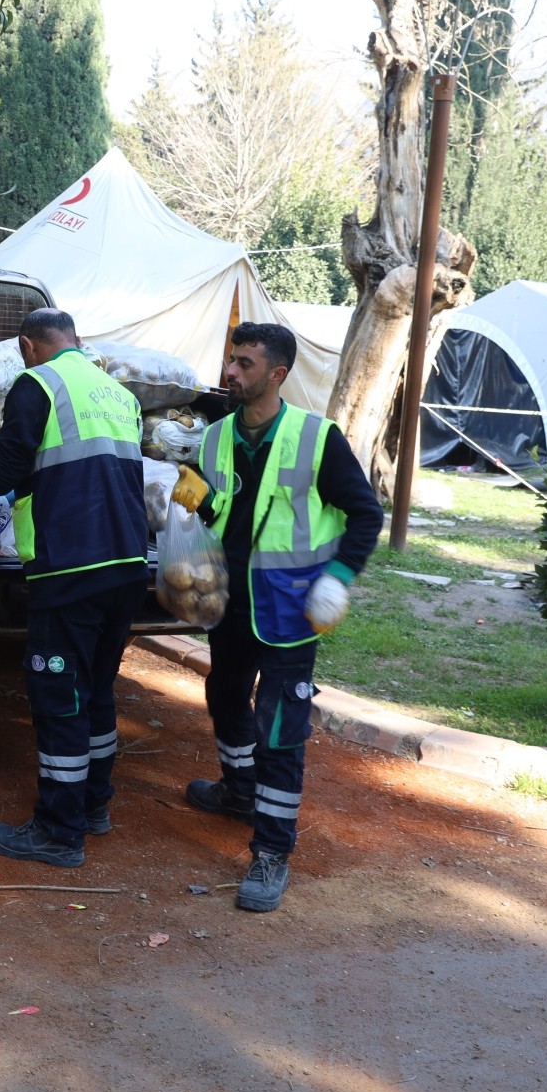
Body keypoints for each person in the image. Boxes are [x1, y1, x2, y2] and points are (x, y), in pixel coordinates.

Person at [173, 322, 382, 912]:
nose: (231, 372)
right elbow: (228, 508)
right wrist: (199, 498)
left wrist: (337, 580)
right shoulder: (215, 438)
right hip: (230, 601)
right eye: (230, 360)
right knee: (224, 694)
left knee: (280, 726)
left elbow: (366, 516)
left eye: (244, 363)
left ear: (277, 374)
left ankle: (271, 851)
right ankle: (239, 791)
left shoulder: (318, 439)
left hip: (291, 608)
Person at [0, 308, 146, 869]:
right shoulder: (117, 393)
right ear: (76, 340)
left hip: (69, 568)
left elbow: (2, 477)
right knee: (97, 692)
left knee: (58, 698)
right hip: (125, 566)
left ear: (29, 346)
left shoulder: (36, 384)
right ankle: (94, 806)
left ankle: (58, 829)